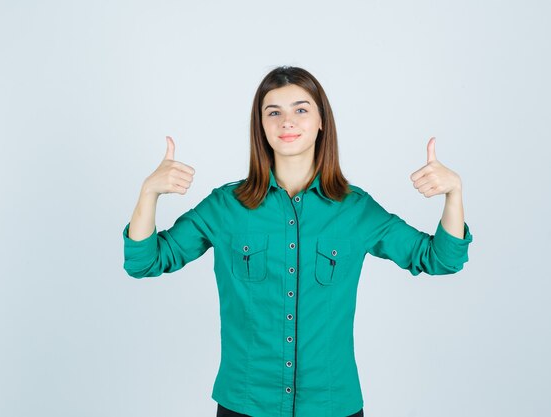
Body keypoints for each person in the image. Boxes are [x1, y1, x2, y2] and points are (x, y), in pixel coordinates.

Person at [122, 66, 473, 417]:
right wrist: (148, 193)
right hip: (245, 403)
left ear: (322, 122)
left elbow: (440, 259)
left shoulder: (355, 209)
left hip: (332, 405)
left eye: (301, 110)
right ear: (260, 126)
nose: (286, 122)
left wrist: (453, 194)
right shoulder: (226, 206)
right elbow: (145, 261)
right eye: (273, 112)